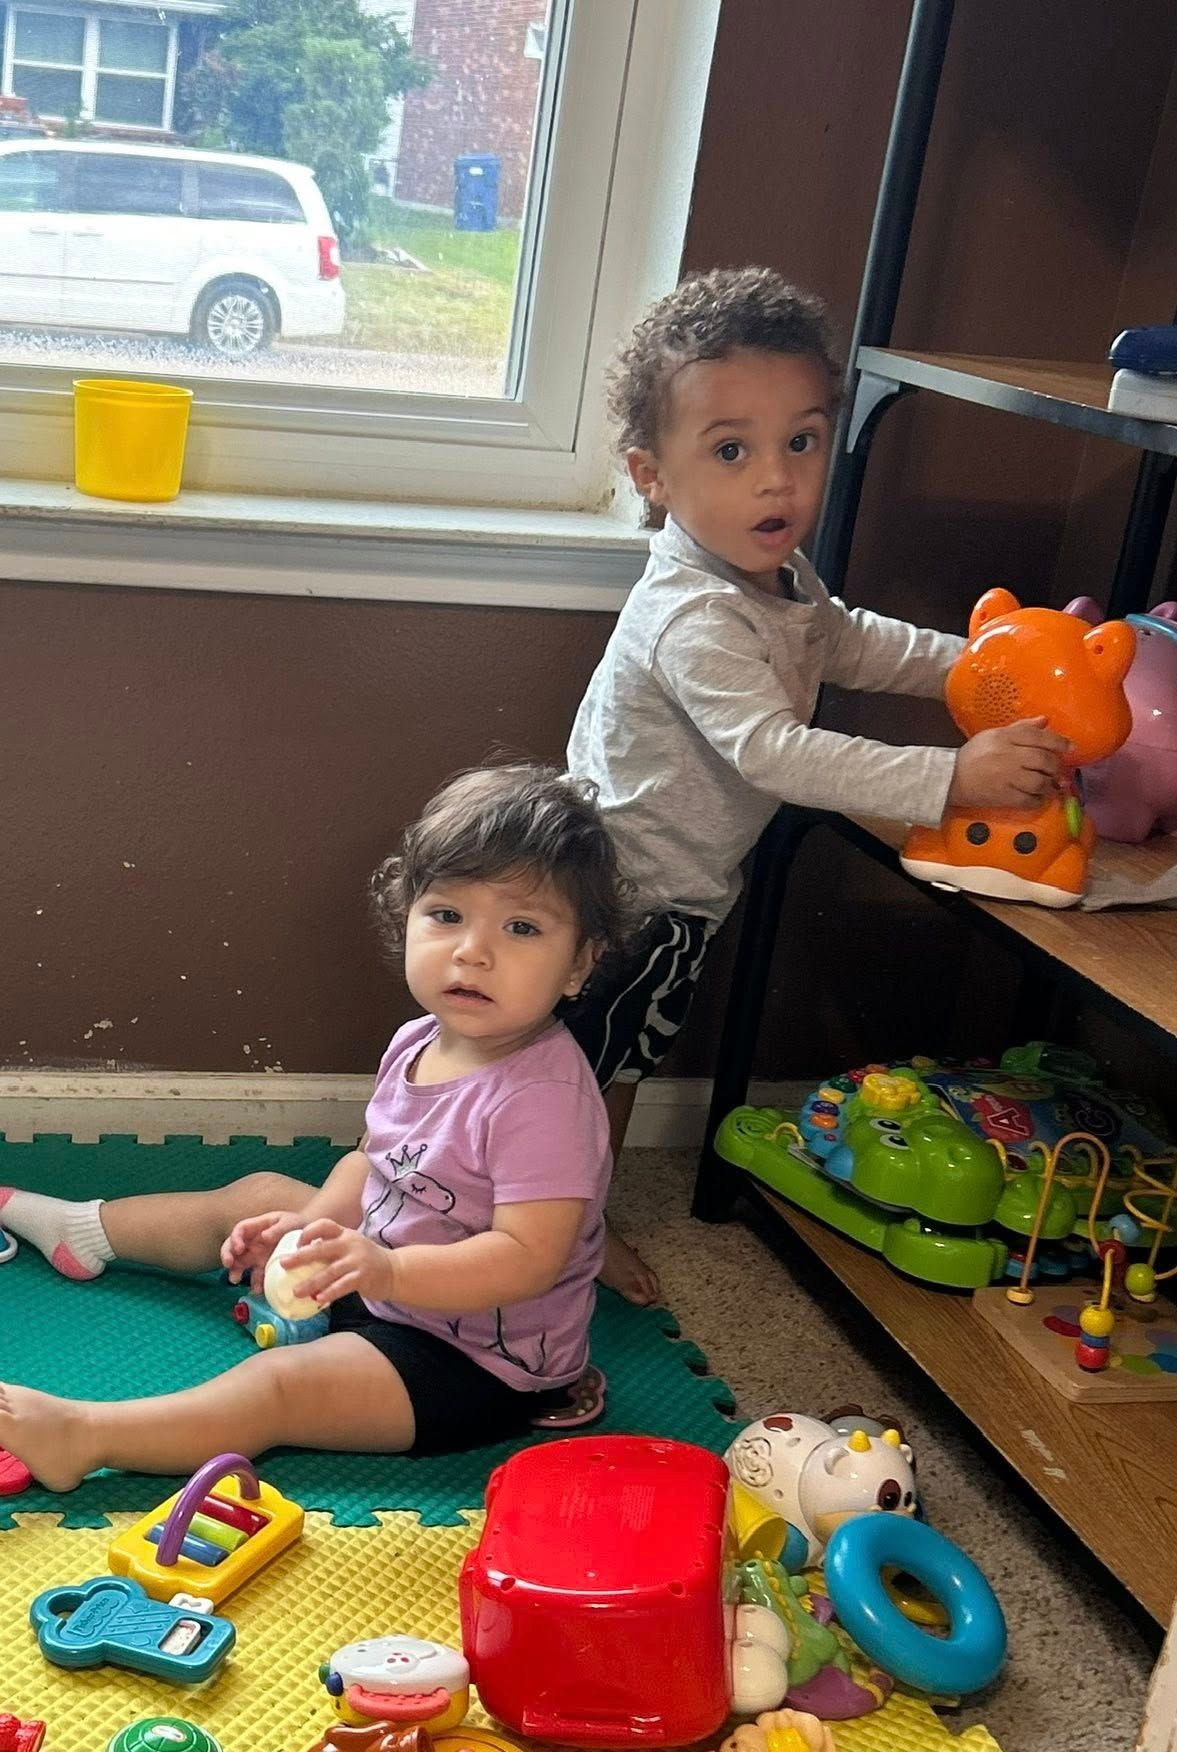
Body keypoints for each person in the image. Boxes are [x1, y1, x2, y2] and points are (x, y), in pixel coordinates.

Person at [566, 266, 1068, 1304]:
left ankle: (536, 1215)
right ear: (649, 473)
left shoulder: (776, 579)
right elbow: (776, 752)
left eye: (799, 442)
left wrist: (974, 664)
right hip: (634, 898)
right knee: (593, 1074)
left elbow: (847, 642)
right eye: (730, 449)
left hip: (657, 888)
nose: (775, 481)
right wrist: (952, 774)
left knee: (588, 1066)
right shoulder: (696, 613)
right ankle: (567, 1236)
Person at [0, 765, 626, 1491]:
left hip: (474, 1363)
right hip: (381, 1269)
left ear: (580, 963)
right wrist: (305, 1232)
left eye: (521, 927)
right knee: (260, 1193)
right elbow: (374, 1163)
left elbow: (527, 1259)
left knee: (279, 1387)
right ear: (407, 915)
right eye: (448, 915)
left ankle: (81, 1437)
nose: (472, 952)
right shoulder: (419, 1039)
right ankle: (84, 1230)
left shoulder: (542, 1100)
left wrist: (384, 1269)